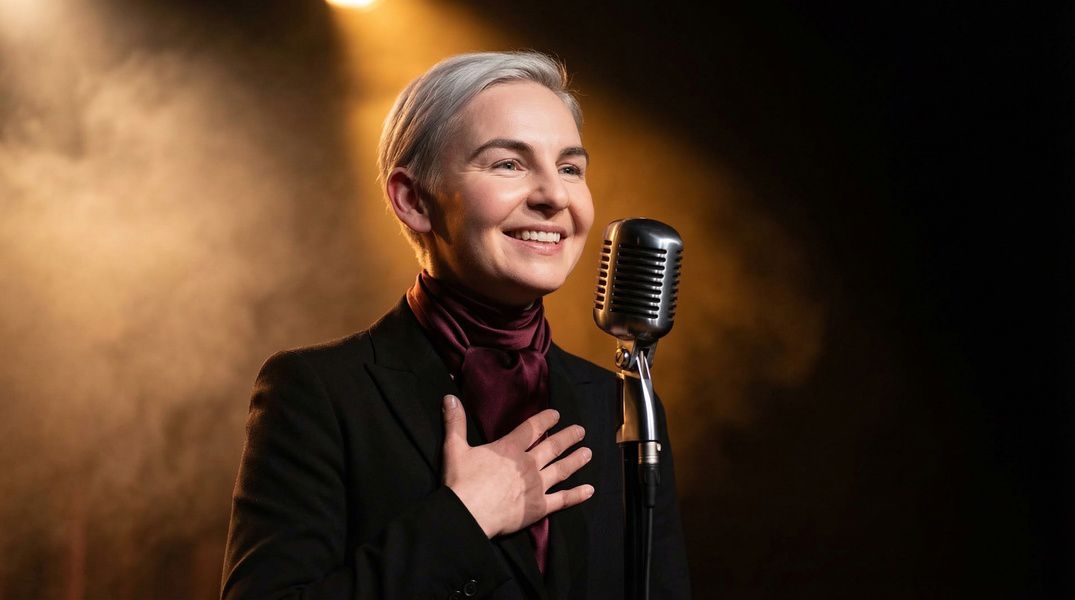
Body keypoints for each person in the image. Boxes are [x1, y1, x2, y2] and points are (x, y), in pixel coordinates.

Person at [221, 51, 690, 600]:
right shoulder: (318, 392)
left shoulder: (622, 405)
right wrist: (463, 519)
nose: (554, 196)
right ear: (413, 200)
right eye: (508, 164)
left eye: (570, 168)